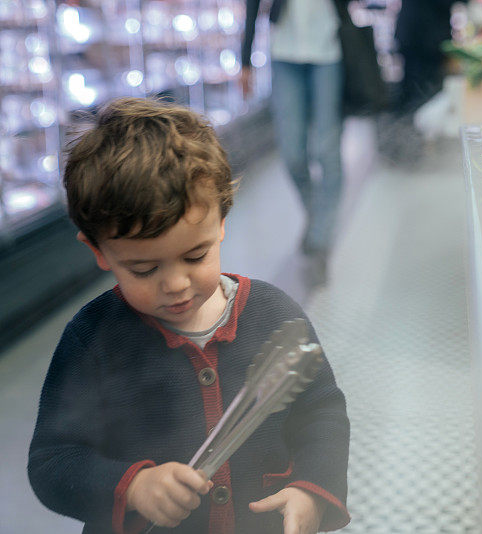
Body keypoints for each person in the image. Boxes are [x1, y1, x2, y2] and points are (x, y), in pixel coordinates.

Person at [27, 98, 350, 534]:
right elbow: (53, 461)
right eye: (144, 269)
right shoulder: (93, 339)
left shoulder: (273, 314)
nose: (176, 284)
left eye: (195, 255)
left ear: (221, 219)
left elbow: (321, 413)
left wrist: (312, 490)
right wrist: (133, 486)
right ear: (98, 251)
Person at [241, 0, 349, 285]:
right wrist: (244, 59)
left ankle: (321, 239)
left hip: (329, 52)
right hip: (284, 53)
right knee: (292, 154)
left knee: (327, 151)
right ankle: (316, 218)